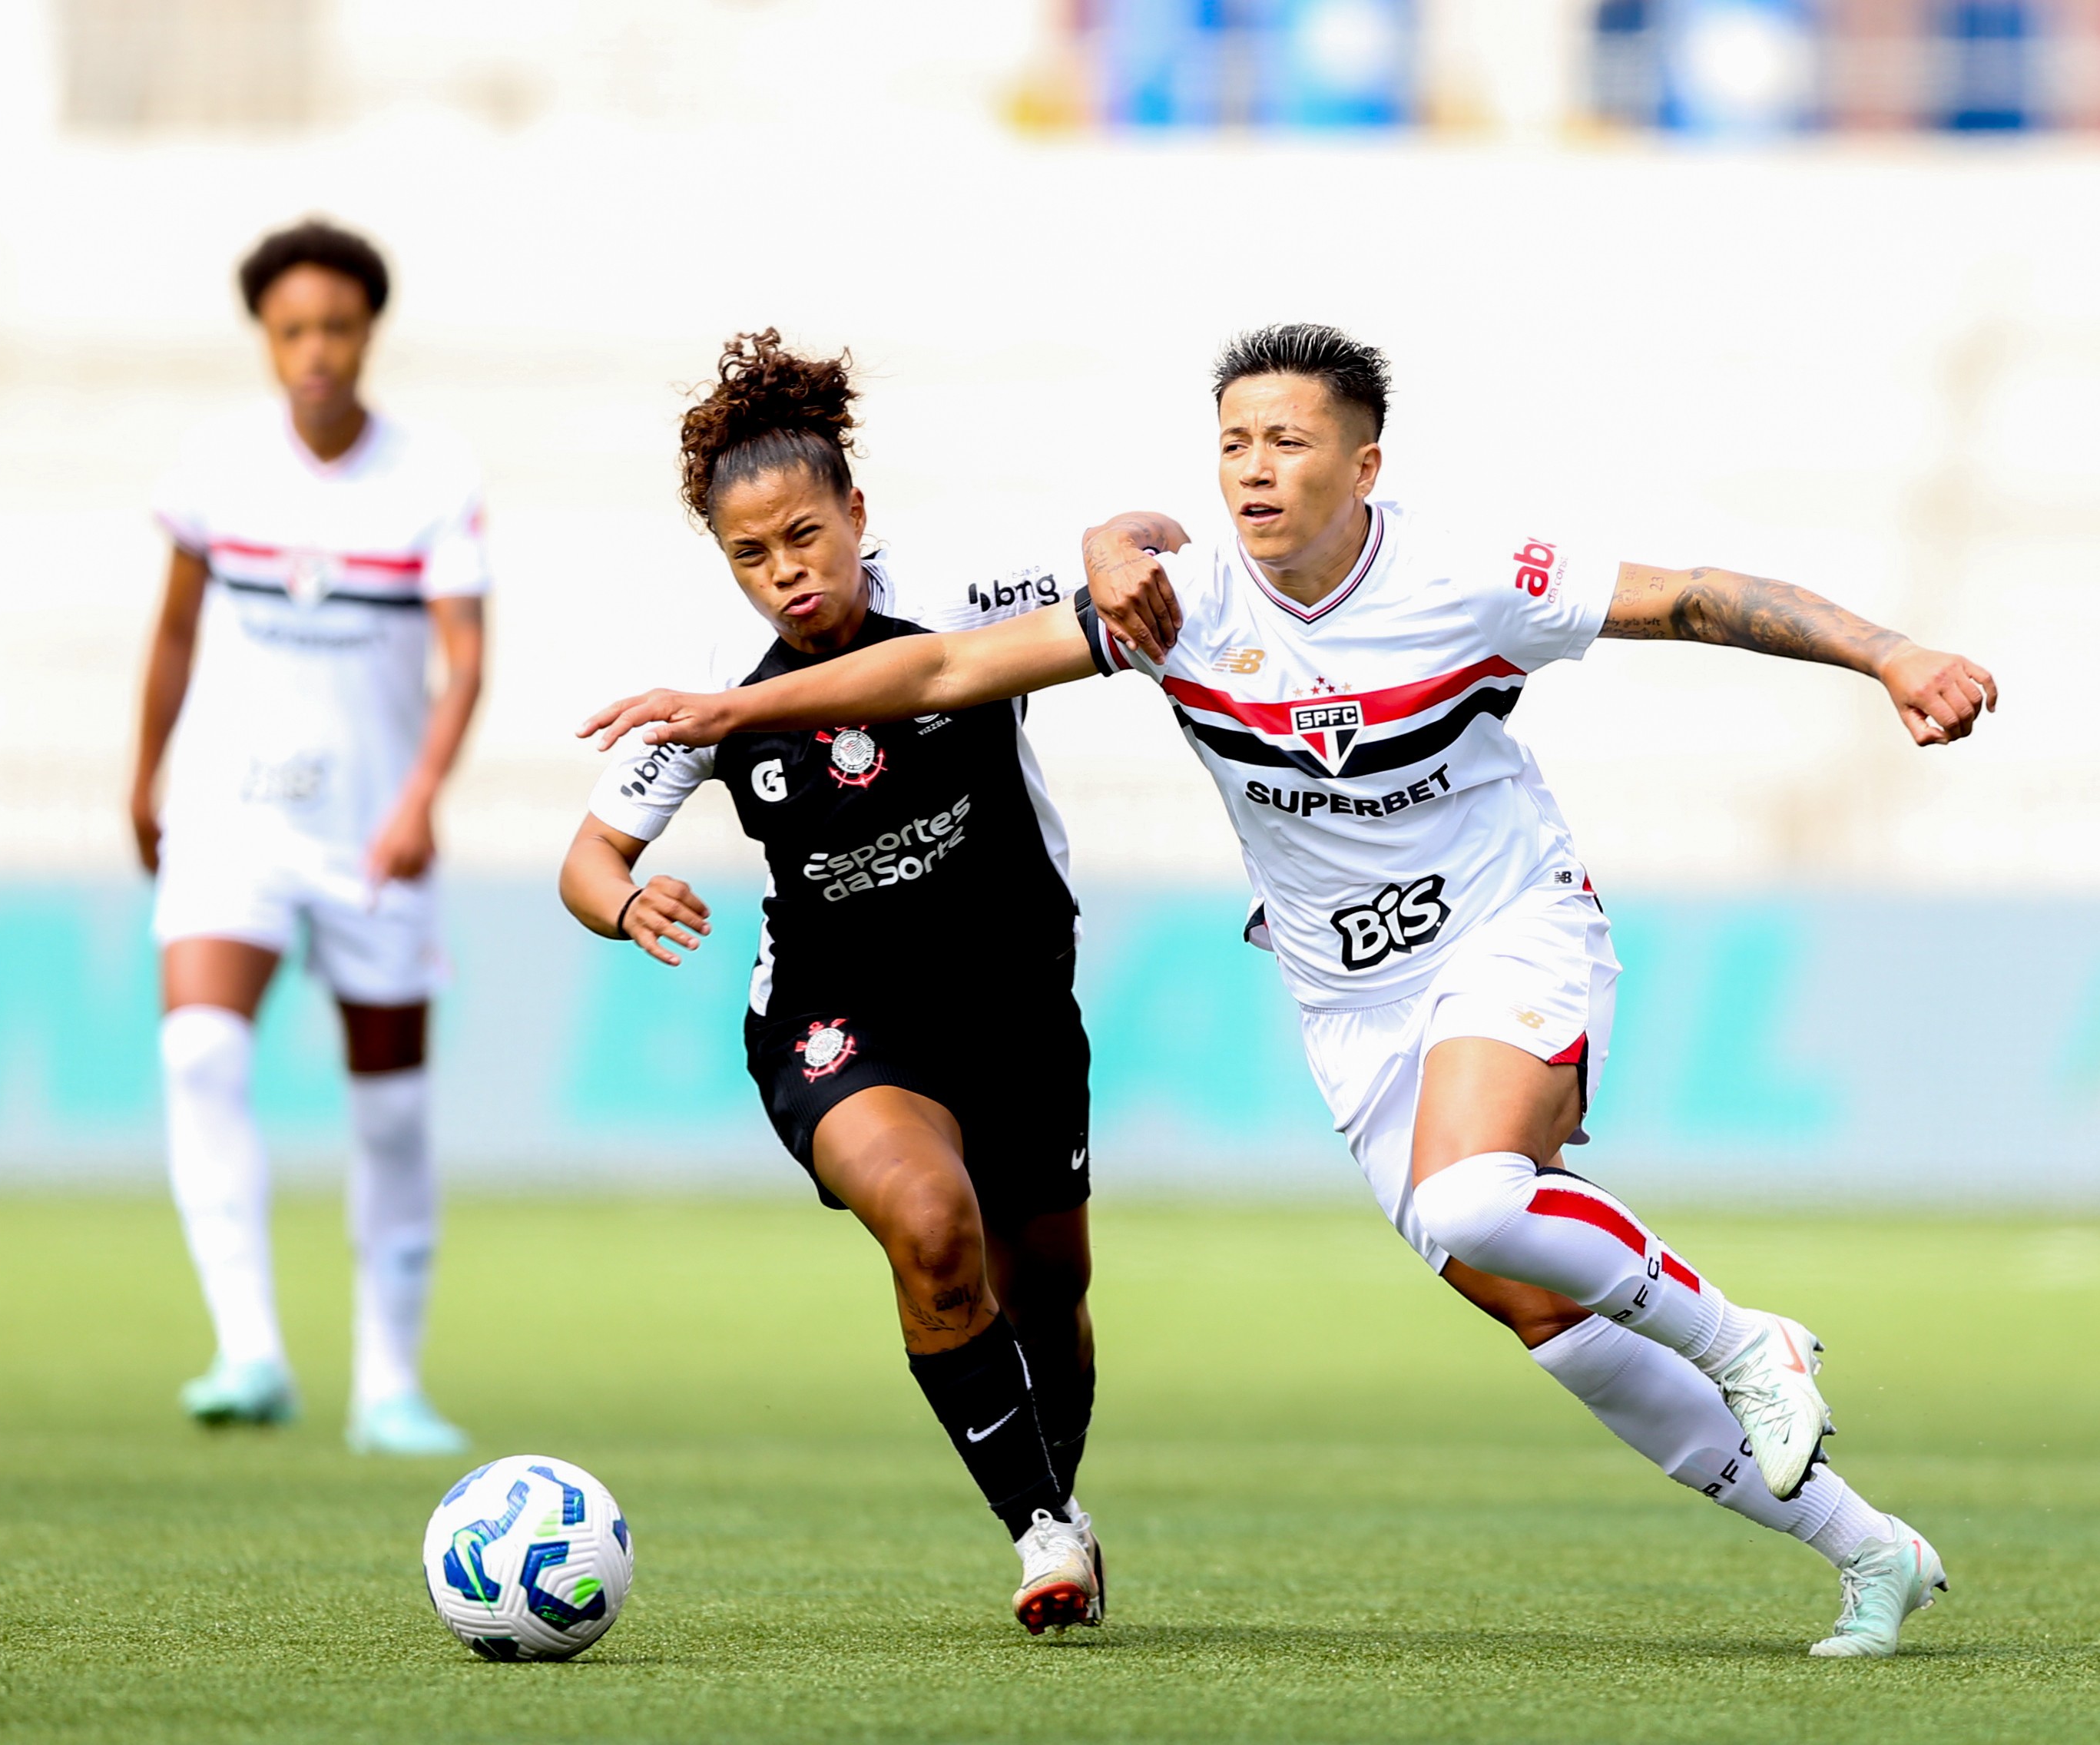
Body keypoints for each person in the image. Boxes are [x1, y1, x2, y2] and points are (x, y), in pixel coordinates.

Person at [581, 324, 2002, 1658]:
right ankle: (1867, 1549)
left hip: (1509, 932)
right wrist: (730, 712)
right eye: (1234, 444)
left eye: (1289, 442)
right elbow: (948, 666)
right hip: (1350, 1006)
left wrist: (1894, 654)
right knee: (1545, 1317)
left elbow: (1695, 598)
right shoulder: (1185, 609)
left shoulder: (1469, 577)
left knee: (1470, 1194)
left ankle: (1746, 1338)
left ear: (1364, 465)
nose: (1256, 470)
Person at [558, 332, 1168, 1636]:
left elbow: (1107, 552)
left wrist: (1122, 542)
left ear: (858, 516)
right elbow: (590, 854)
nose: (785, 573)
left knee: (1049, 1288)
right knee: (934, 1231)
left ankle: (1056, 1494)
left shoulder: (956, 594)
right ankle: (1042, 1533)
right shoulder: (716, 690)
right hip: (839, 1018)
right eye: (749, 554)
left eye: (804, 537)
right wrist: (622, 899)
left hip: (1014, 999)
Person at [131, 220, 486, 1457]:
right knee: (198, 1055)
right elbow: (174, 633)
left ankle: (387, 1383)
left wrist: (420, 797)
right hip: (230, 819)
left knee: (387, 1111)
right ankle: (250, 1349)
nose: (317, 351)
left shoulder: (431, 477)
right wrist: (146, 772)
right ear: (267, 339)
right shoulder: (215, 467)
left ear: (367, 332)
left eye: (337, 326)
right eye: (294, 330)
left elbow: (465, 659)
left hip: (372, 838)